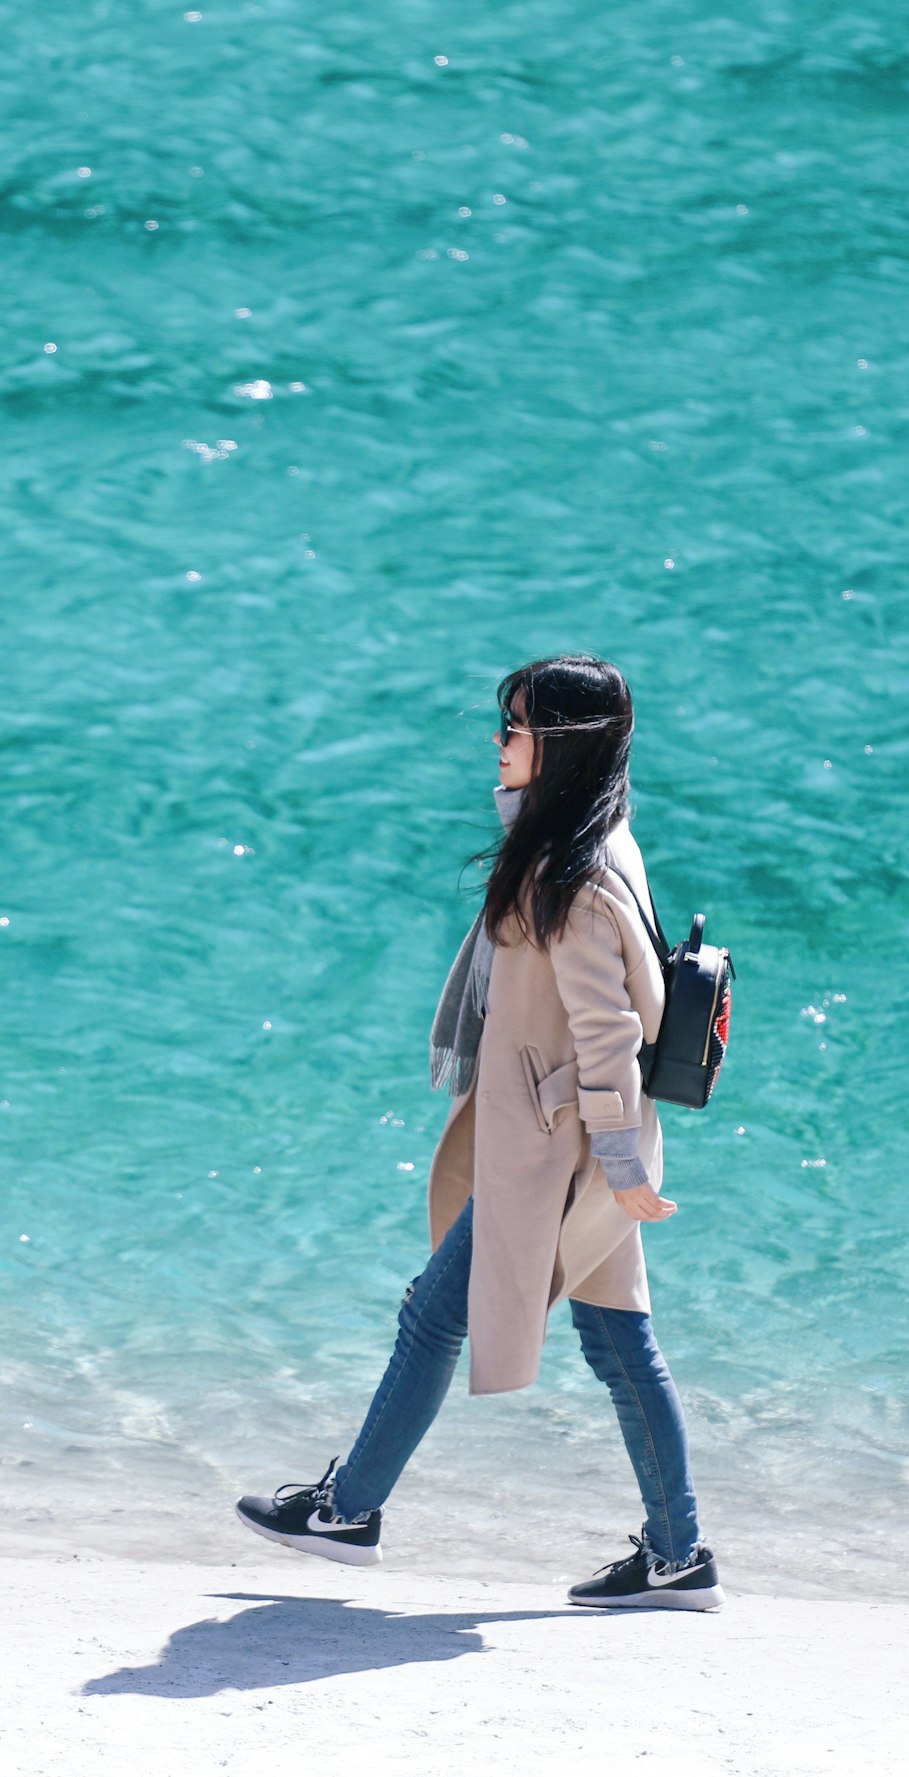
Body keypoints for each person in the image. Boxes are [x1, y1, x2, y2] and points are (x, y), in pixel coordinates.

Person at [236, 654, 723, 1610]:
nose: (497, 743)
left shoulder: (570, 877)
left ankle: (347, 1511)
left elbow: (608, 1032)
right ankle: (678, 1554)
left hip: (555, 1154)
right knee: (618, 1340)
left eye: (513, 727)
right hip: (571, 1145)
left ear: (560, 746)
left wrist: (620, 1166)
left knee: (435, 1313)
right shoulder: (591, 838)